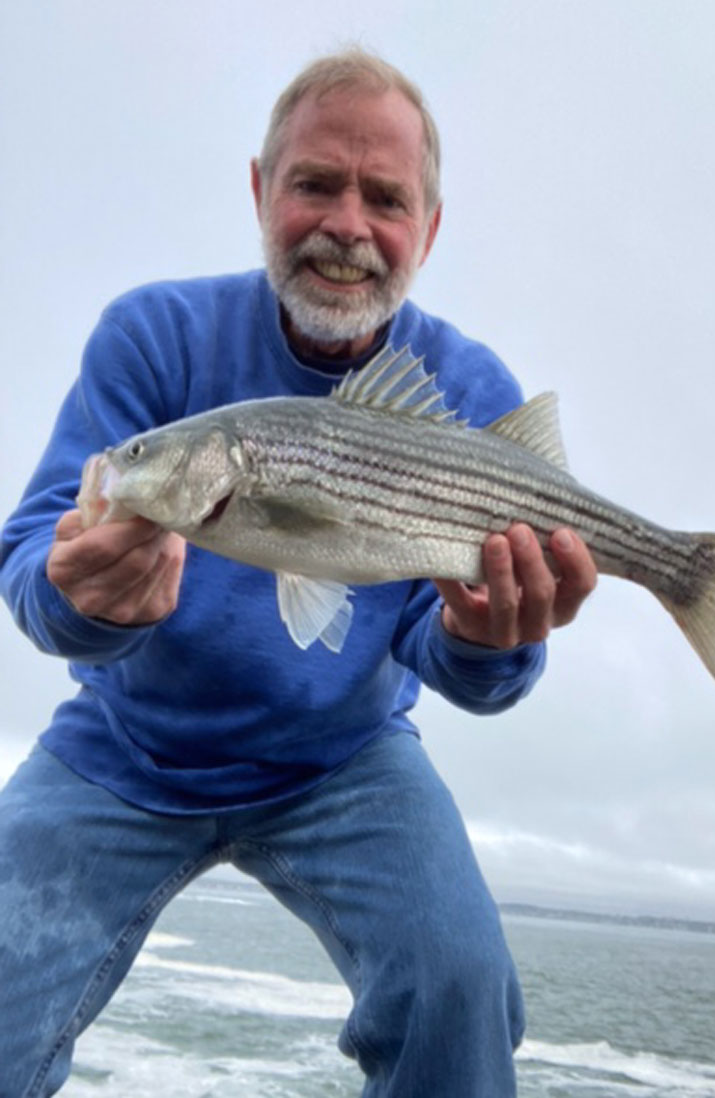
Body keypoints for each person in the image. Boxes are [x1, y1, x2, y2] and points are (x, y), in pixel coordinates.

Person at [0, 50, 597, 1097]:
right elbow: (33, 563)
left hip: (347, 757)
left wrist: (486, 644)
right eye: (316, 183)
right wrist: (78, 601)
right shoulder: (152, 336)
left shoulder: (470, 394)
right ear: (260, 190)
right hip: (130, 744)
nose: (348, 226)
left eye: (386, 198)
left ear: (431, 227)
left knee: (460, 988)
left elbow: (458, 659)